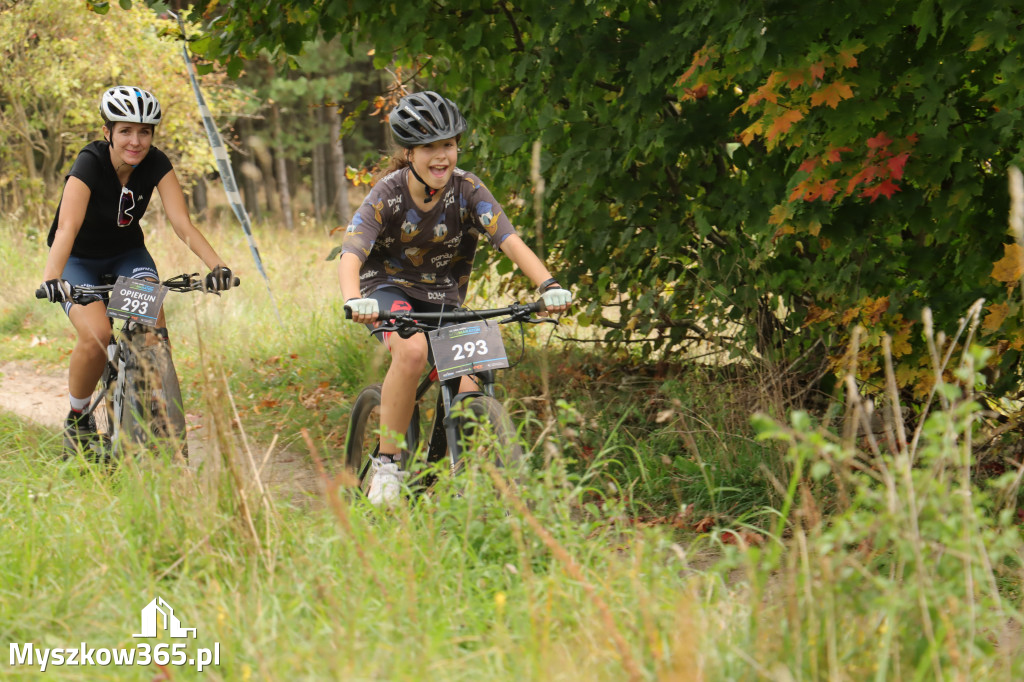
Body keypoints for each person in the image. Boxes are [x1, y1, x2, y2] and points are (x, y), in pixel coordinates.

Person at [338, 90, 572, 505]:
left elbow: (508, 238)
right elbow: (352, 252)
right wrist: (354, 299)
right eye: (429, 146)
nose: (441, 155)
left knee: (473, 373)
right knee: (410, 353)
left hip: (442, 297)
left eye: (448, 144)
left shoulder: (467, 189)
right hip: (386, 290)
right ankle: (387, 465)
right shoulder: (387, 193)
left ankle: (460, 473)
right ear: (409, 152)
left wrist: (548, 285)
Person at [40, 85, 235, 453]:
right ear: (107, 133)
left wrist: (218, 265)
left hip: (127, 257)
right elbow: (66, 229)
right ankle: (78, 418)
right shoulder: (89, 164)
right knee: (97, 334)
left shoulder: (157, 164)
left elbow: (182, 223)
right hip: (78, 260)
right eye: (125, 130)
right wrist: (52, 279)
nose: (135, 140)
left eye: (144, 131)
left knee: (151, 334)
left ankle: (155, 426)